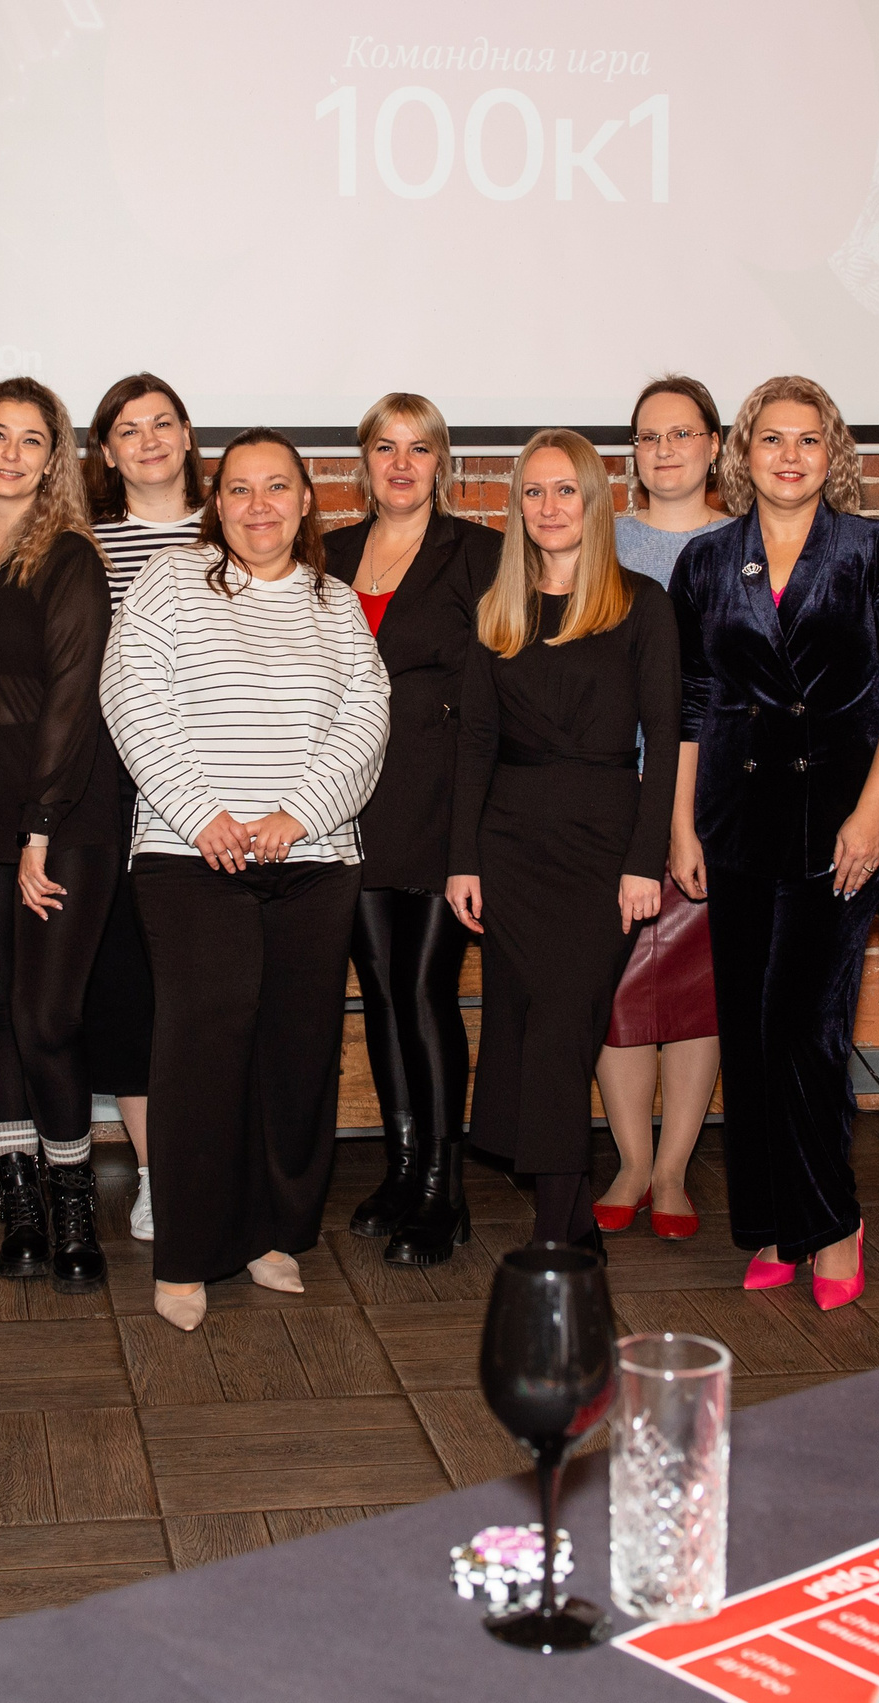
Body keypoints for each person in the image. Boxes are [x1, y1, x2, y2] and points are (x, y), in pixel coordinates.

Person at [99, 429, 389, 1332]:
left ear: (307, 502)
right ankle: (188, 1251)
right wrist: (204, 817)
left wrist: (295, 815)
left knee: (296, 1050)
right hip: (194, 860)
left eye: (278, 488)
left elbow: (367, 718)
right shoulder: (170, 586)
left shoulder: (335, 604)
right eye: (238, 490)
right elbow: (130, 698)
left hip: (312, 860)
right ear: (215, 505)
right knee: (203, 1045)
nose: (258, 505)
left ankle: (274, 1232)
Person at [669, 375, 879, 1310]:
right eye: (772, 439)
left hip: (843, 817)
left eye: (809, 440)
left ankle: (833, 1220)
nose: (790, 456)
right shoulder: (708, 561)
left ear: (835, 455)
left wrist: (870, 813)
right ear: (743, 452)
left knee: (806, 1025)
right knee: (747, 1029)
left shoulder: (875, 550)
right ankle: (779, 1221)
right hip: (737, 818)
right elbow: (694, 702)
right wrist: (681, 825)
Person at [446, 430, 681, 1255]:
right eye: (534, 493)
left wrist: (642, 863)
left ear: (595, 500)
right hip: (509, 843)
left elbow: (666, 737)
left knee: (562, 1021)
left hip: (602, 840)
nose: (548, 507)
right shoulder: (498, 609)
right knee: (534, 1021)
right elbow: (474, 741)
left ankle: (558, 1225)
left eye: (564, 490)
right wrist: (462, 859)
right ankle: (569, 1217)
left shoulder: (642, 604)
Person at [0, 376, 117, 1293]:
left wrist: (40, 828)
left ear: (55, 460)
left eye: (31, 439)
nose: (11, 453)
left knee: (48, 1017)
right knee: (1, 1013)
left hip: (65, 817)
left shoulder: (70, 559)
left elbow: (73, 699)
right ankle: (20, 1205)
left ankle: (75, 1202)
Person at [319, 393, 500, 1268]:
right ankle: (399, 1168)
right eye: (385, 448)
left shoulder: (482, 555)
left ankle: (444, 1188)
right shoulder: (330, 555)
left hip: (439, 803)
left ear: (443, 463)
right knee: (382, 988)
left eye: (419, 449)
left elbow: (491, 706)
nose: (401, 464)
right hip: (347, 807)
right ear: (365, 460)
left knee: (426, 989)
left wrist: (474, 835)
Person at [597, 376, 731, 1240]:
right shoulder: (601, 542)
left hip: (721, 798)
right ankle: (631, 1161)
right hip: (610, 794)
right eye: (649, 436)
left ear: (715, 445)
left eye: (683, 434)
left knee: (693, 995)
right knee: (614, 992)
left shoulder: (748, 543)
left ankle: (676, 1166)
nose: (666, 450)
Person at [79, 374, 209, 1241]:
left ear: (190, 436)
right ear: (108, 451)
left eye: (164, 423)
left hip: (231, 791)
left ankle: (217, 1162)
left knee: (212, 992)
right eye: (130, 429)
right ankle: (161, 1174)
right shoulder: (85, 545)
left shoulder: (236, 525)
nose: (151, 439)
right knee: (134, 991)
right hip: (121, 795)